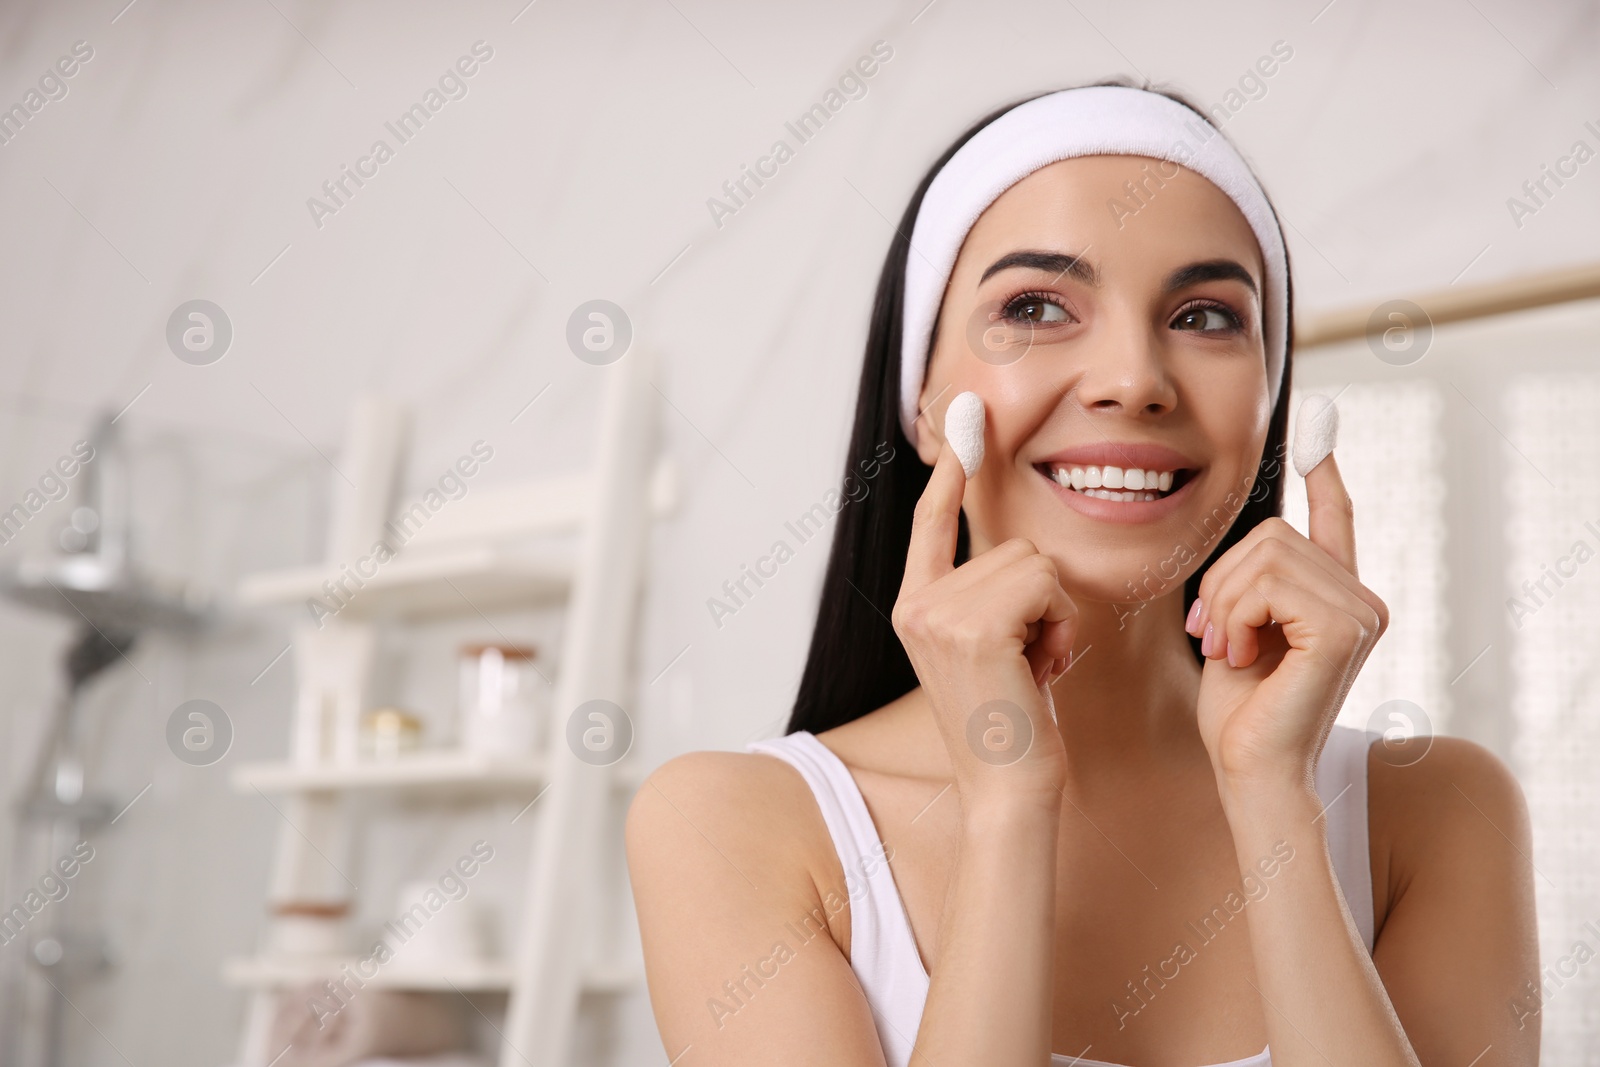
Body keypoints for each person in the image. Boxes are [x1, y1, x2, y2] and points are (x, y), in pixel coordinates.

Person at [626, 82, 1538, 1066]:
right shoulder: (731, 824)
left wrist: (1275, 794)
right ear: (923, 401)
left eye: (1203, 315)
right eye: (1033, 305)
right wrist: (1008, 805)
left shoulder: (1439, 811)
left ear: (1270, 405)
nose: (1135, 377)